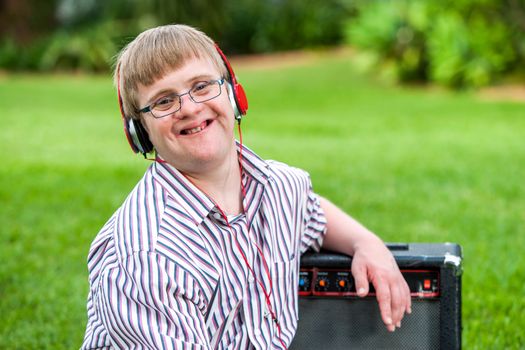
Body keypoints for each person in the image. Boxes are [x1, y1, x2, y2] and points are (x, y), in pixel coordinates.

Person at [81, 24, 411, 349]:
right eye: (164, 102)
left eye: (202, 86)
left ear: (234, 94)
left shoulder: (279, 188)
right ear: (140, 133)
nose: (190, 108)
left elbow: (311, 210)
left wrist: (365, 243)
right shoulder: (147, 256)